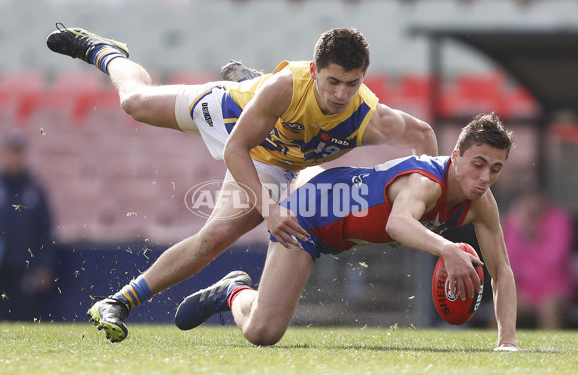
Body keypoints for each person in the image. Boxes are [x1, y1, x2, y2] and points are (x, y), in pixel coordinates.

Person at [46, 24, 437, 342]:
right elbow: (235, 149)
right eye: (333, 81)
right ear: (315, 71)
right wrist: (270, 209)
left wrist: (426, 209)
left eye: (352, 84)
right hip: (232, 118)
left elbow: (423, 140)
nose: (341, 94)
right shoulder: (287, 87)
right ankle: (103, 50)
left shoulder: (370, 117)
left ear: (363, 79)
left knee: (216, 237)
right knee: (136, 103)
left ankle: (118, 302)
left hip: (275, 162)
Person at [174, 112, 523, 351]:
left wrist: (507, 342)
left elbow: (502, 272)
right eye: (478, 164)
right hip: (308, 219)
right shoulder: (426, 182)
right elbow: (397, 224)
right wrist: (448, 249)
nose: (484, 178)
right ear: (457, 155)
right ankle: (233, 290)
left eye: (495, 169)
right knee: (262, 333)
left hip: (339, 206)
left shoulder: (481, 201)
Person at [0, 130, 55, 321]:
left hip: (23, 267)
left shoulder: (34, 188)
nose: (13, 158)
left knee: (24, 317)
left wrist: (44, 265)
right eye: (9, 152)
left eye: (17, 153)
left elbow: (45, 231)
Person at [502, 185, 575, 329]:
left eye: (535, 198)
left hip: (554, 287)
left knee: (549, 309)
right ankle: (499, 347)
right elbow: (507, 261)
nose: (532, 203)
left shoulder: (560, 220)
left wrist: (534, 236)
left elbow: (555, 259)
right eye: (527, 198)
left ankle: (550, 350)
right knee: (504, 305)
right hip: (525, 288)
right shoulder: (515, 221)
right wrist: (520, 232)